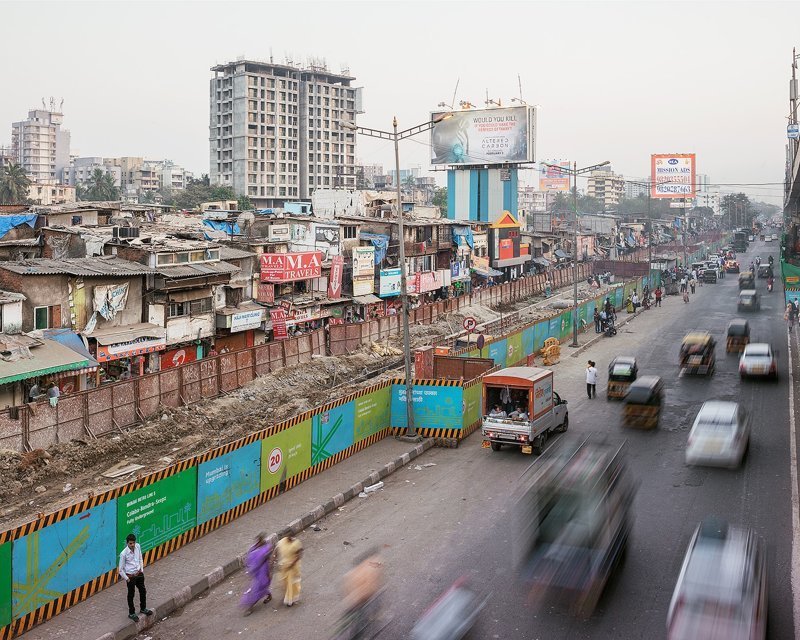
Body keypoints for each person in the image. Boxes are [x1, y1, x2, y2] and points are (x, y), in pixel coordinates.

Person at [118, 533, 153, 622]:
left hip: (139, 574)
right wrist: (127, 579)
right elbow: (120, 570)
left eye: (133, 543)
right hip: (130, 576)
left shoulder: (138, 547)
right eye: (130, 543)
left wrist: (141, 569)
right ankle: (132, 613)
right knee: (131, 594)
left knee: (143, 591)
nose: (132, 545)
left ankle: (143, 608)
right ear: (127, 543)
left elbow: (140, 558)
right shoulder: (123, 554)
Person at [240, 533, 274, 616]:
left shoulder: (267, 549)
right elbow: (249, 558)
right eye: (258, 541)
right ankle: (269, 595)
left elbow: (270, 561)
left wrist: (269, 572)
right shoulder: (253, 548)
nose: (258, 542)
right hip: (256, 572)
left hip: (263, 571)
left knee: (256, 589)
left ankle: (250, 607)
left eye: (260, 541)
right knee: (260, 588)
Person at [276, 534, 303, 607]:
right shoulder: (282, 542)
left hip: (293, 567)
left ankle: (290, 600)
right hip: (284, 566)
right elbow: (276, 551)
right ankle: (287, 597)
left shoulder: (296, 543)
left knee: (291, 583)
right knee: (285, 582)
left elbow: (299, 555)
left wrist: (291, 564)